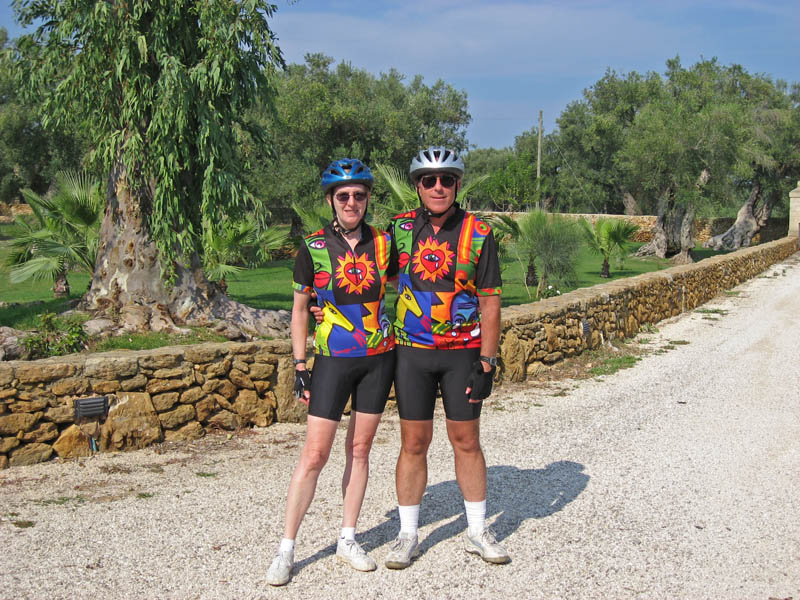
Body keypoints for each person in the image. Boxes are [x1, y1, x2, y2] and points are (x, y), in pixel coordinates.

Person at [266, 159, 396, 586]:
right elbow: (300, 310)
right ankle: (286, 548)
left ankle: (348, 538)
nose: (351, 202)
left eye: (359, 195)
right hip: (332, 360)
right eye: (343, 196)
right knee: (315, 455)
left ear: (368, 198)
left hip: (378, 358)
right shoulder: (313, 247)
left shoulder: (384, 243)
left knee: (359, 450)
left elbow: (414, 284)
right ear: (330, 200)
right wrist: (299, 364)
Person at [383, 146, 510, 568]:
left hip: (462, 354)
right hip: (412, 354)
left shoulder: (479, 232)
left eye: (447, 180)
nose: (438, 187)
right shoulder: (400, 229)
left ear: (457, 185)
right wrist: (320, 304)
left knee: (466, 441)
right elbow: (372, 276)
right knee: (413, 443)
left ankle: (477, 530)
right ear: (418, 186)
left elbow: (490, 301)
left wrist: (488, 361)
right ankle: (407, 534)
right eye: (429, 180)